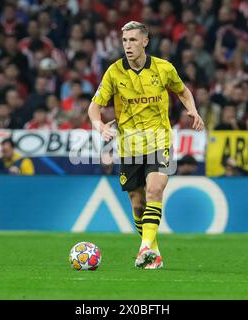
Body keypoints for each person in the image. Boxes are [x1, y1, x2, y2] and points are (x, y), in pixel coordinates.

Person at [88, 21, 203, 269]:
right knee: (138, 204)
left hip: (159, 140)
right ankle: (154, 252)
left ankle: (143, 249)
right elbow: (94, 107)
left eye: (132, 40)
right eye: (124, 41)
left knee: (154, 191)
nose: (127, 45)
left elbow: (183, 91)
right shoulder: (114, 72)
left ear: (144, 41)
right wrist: (99, 125)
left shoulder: (164, 69)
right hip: (129, 146)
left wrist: (192, 110)